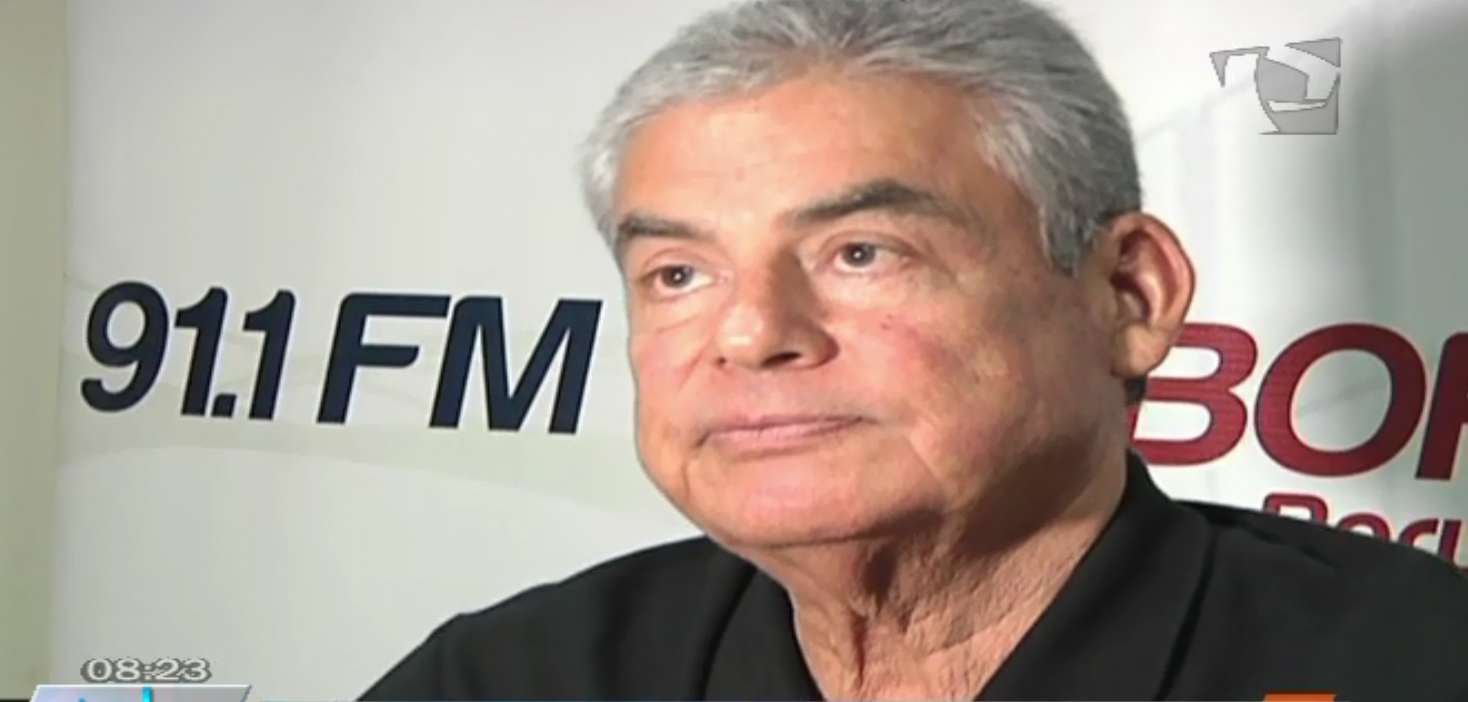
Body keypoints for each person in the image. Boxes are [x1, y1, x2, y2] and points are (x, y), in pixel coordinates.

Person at [361, 0, 1468, 699]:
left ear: (1128, 294)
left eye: (861, 253)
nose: (750, 333)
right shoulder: (515, 679)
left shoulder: (1416, 663)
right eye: (679, 274)